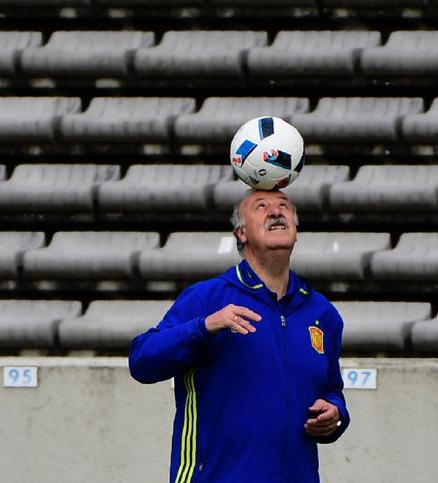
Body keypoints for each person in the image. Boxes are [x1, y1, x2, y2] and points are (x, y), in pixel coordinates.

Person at [129, 189, 350, 483]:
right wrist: (204, 326)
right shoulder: (207, 298)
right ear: (241, 233)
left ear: (296, 230)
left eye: (284, 206)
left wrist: (335, 414)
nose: (276, 212)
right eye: (261, 207)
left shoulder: (322, 313)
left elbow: (331, 389)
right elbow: (142, 360)